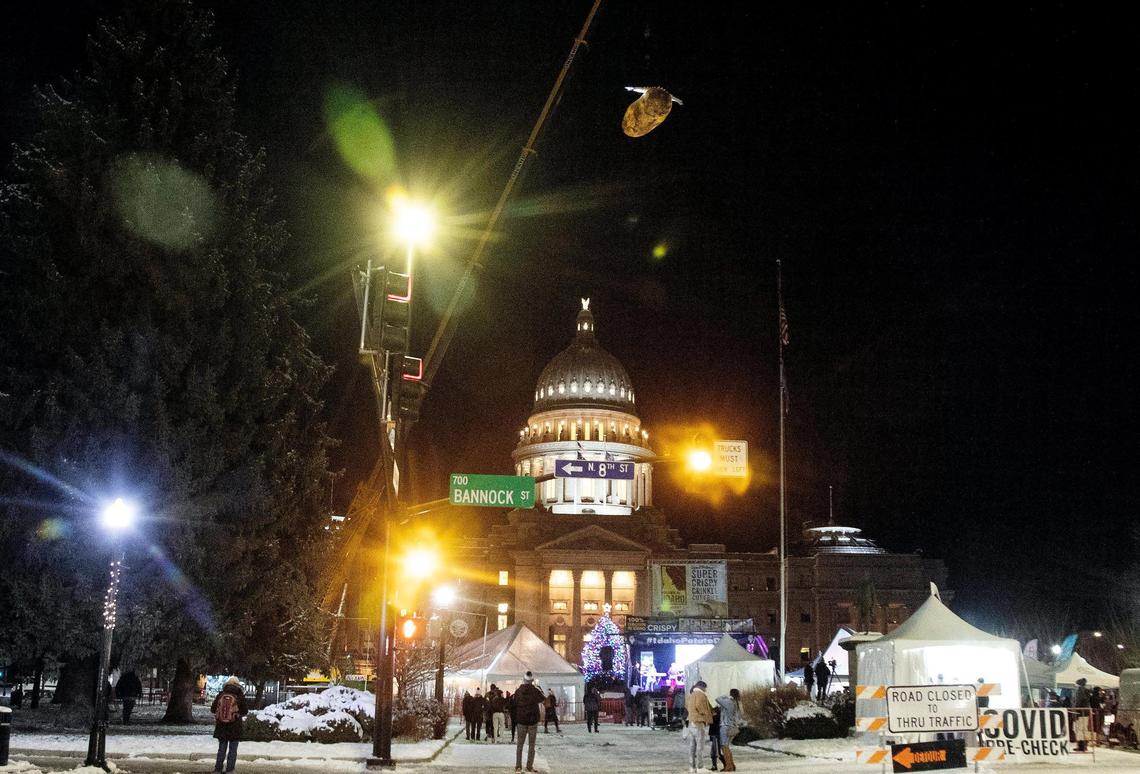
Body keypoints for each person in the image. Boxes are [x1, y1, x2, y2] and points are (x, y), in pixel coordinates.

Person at [210, 677, 248, 774]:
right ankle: (230, 770)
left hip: (221, 726)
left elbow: (213, 709)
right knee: (233, 749)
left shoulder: (221, 694)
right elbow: (245, 711)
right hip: (235, 725)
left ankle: (218, 769)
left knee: (221, 748)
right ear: (237, 684)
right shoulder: (239, 695)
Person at [513, 671, 544, 773]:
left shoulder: (518, 691)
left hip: (521, 721)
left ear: (524, 680)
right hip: (532, 721)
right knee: (531, 745)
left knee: (520, 745)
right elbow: (544, 699)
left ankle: (518, 766)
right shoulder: (535, 691)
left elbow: (514, 703)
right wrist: (539, 688)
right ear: (531, 681)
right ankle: (529, 766)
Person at [686, 680, 714, 773]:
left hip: (691, 722)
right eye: (705, 688)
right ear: (702, 687)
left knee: (692, 746)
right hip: (699, 721)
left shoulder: (691, 694)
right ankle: (700, 767)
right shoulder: (700, 694)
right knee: (700, 746)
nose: (706, 690)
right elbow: (699, 705)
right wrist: (705, 712)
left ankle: (692, 767)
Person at [715, 688, 741, 771]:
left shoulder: (729, 702)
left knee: (724, 747)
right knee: (727, 746)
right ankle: (731, 765)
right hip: (730, 725)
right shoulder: (735, 703)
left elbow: (718, 699)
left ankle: (728, 766)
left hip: (725, 726)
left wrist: (725, 696)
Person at [1073, 678, 1091, 752]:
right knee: (1084, 729)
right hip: (1085, 712)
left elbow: (1078, 702)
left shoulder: (1080, 691)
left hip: (1080, 713)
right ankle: (1084, 745)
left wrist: (1075, 711)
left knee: (1079, 729)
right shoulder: (1086, 691)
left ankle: (1081, 746)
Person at [708, 704, 722, 771]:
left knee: (716, 752)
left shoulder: (716, 716)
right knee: (714, 752)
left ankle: (726, 764)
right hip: (713, 734)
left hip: (716, 734)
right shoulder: (715, 715)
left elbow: (711, 722)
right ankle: (714, 765)